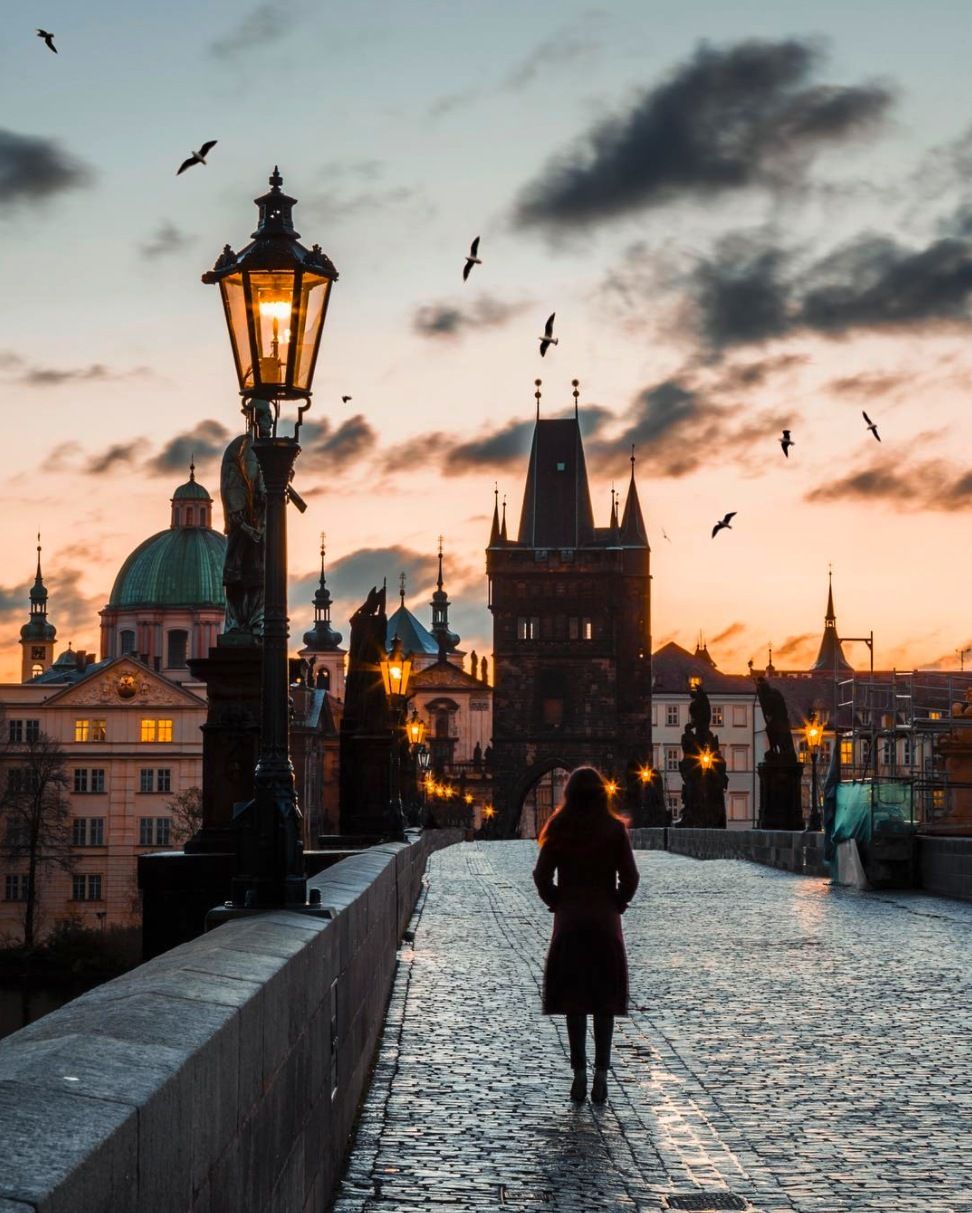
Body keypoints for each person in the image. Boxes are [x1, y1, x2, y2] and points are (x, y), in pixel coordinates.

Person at [532, 766, 640, 1104]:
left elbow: (541, 875)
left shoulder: (560, 828)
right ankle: (601, 1077)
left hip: (570, 924)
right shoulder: (613, 830)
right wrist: (617, 904)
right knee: (604, 1003)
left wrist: (557, 902)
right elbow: (631, 877)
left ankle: (578, 1072)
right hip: (605, 926)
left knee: (575, 1002)